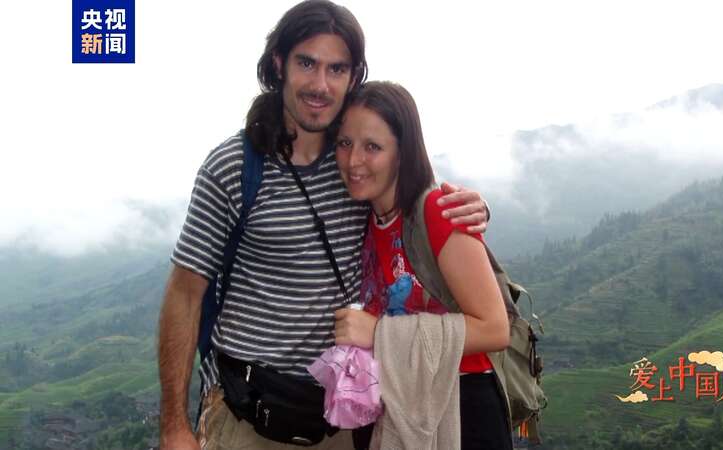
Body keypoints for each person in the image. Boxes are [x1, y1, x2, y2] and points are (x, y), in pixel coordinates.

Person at [157, 2, 490, 449]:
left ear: (353, 77)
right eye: (307, 63)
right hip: (248, 417)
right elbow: (184, 294)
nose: (320, 85)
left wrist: (470, 206)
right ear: (279, 64)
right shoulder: (233, 167)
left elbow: (413, 202)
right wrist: (174, 426)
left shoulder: (357, 160)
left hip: (343, 415)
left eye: (337, 69)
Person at [332, 81, 513, 449]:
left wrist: (378, 332)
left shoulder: (438, 211)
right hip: (400, 407)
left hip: (461, 409)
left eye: (373, 147)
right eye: (345, 143)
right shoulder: (366, 218)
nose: (353, 161)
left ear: (403, 153)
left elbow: (495, 329)